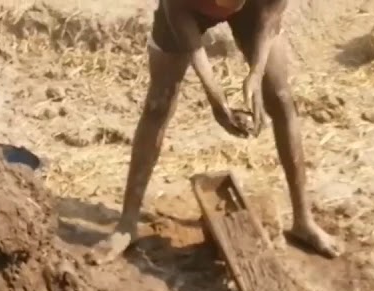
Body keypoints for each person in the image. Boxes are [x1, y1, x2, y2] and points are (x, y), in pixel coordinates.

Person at [95, 0, 340, 262]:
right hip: (183, 9)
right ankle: (127, 224)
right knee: (158, 104)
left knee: (280, 97)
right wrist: (216, 98)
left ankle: (304, 220)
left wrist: (255, 75)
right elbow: (185, 31)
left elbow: (270, 16)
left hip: (255, 9)